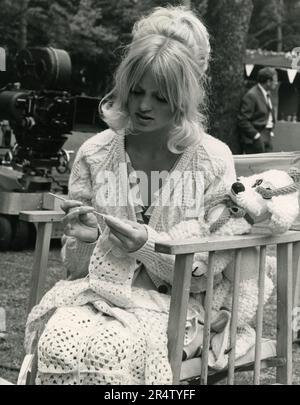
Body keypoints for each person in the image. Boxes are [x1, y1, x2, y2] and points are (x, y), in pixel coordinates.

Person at [24, 6, 238, 385]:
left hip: (176, 306)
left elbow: (211, 266)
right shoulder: (95, 152)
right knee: (56, 343)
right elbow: (75, 267)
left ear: (184, 94)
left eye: (160, 97)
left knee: (110, 353)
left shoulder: (212, 159)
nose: (142, 106)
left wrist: (147, 245)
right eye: (136, 92)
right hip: (94, 296)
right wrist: (85, 239)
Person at [237, 67, 278, 154]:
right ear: (268, 81)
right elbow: (243, 120)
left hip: (267, 137)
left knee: (268, 165)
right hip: (255, 140)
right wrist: (256, 136)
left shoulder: (266, 94)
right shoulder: (252, 95)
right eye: (275, 80)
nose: (276, 83)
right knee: (259, 166)